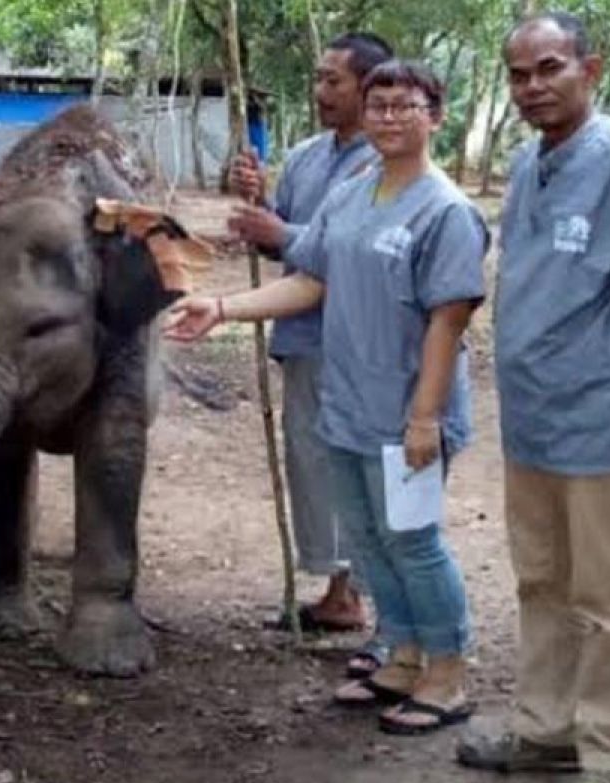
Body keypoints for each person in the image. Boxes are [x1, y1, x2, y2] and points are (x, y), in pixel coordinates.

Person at [167, 60, 486, 737]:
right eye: (379, 105)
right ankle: (401, 655)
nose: (391, 117)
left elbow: (449, 320)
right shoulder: (355, 189)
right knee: (369, 541)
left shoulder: (447, 210)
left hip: (407, 413)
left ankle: (448, 673)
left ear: (436, 117)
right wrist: (222, 307)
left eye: (407, 106)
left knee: (415, 541)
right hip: (346, 405)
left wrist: (425, 416)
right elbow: (311, 281)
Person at [455, 12, 610, 783]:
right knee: (541, 582)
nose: (532, 87)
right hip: (529, 421)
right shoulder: (527, 166)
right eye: (519, 75)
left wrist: (606, 368)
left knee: (608, 598)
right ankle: (546, 729)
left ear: (590, 70)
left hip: (596, 420)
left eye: (549, 68)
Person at [228, 32, 394, 677]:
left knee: (365, 471)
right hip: (303, 337)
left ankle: (384, 613)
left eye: (334, 81)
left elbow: (360, 252)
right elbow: (285, 249)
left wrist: (284, 232)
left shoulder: (384, 166)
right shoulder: (304, 156)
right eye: (319, 80)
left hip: (361, 346)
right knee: (315, 465)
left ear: (370, 87)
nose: (321, 91)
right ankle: (337, 593)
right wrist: (262, 208)